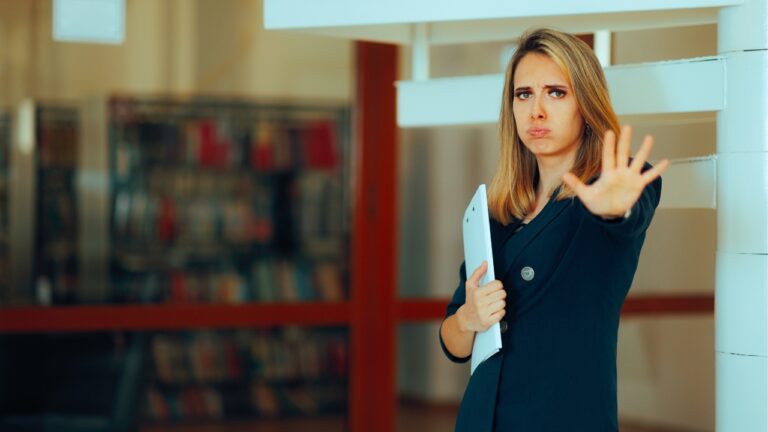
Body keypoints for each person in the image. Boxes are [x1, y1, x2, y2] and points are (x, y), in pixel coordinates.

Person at [438, 28, 669, 432]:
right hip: (482, 417)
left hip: (565, 417)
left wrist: (613, 208)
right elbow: (453, 343)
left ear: (586, 103)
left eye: (556, 93)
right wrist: (468, 319)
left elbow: (623, 217)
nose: (536, 111)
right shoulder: (497, 210)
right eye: (523, 94)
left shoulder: (614, 188)